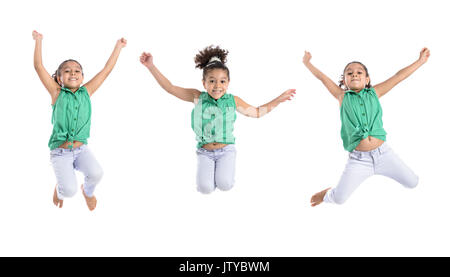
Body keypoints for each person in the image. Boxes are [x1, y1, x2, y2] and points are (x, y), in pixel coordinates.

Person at [140, 45, 296, 194]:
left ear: (228, 83)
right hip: (205, 151)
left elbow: (256, 112)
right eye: (212, 81)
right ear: (204, 83)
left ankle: (222, 173)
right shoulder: (197, 97)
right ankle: (210, 176)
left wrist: (278, 100)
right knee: (204, 189)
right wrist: (151, 66)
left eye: (222, 81)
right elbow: (170, 88)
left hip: (226, 150)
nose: (217, 86)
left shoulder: (232, 100)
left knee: (225, 184)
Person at [303, 48, 430, 206]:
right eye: (349, 73)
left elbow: (398, 76)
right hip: (359, 160)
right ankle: (327, 194)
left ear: (367, 79)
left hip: (384, 154)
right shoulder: (342, 96)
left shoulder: (375, 92)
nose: (354, 74)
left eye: (359, 72)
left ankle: (397, 175)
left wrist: (420, 61)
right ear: (344, 82)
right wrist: (307, 63)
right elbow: (322, 78)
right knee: (339, 199)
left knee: (413, 182)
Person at [32, 30, 127, 210]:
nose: (73, 73)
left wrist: (118, 47)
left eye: (77, 71)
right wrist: (38, 40)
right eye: (67, 71)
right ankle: (59, 189)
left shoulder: (87, 91)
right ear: (59, 79)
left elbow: (106, 70)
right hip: (60, 152)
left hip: (81, 149)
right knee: (68, 191)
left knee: (97, 173)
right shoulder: (56, 93)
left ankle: (88, 192)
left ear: (82, 77)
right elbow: (38, 66)